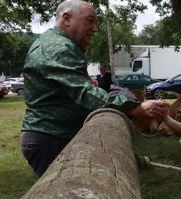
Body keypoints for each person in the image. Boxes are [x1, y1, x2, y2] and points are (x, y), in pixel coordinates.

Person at [20, 0, 170, 177]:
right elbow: (86, 93)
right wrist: (136, 107)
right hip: (51, 138)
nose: (95, 28)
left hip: (54, 136)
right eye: (90, 20)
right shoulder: (57, 48)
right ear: (67, 19)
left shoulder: (59, 45)